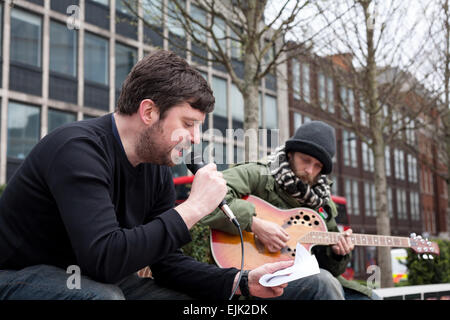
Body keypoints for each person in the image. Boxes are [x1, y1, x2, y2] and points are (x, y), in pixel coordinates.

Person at [0, 50, 340, 300]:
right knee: (103, 298)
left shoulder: (156, 165)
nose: (195, 139)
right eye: (188, 124)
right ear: (149, 111)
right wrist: (192, 208)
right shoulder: (76, 150)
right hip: (21, 276)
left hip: (103, 279)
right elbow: (104, 257)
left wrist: (240, 281)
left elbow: (165, 262)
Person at [201, 120, 377, 300]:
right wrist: (255, 224)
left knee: (371, 298)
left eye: (318, 166)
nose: (309, 170)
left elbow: (331, 269)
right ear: (290, 154)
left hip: (303, 279)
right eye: (305, 160)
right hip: (255, 280)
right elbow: (207, 196)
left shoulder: (323, 201)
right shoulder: (259, 174)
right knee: (323, 283)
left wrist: (338, 254)